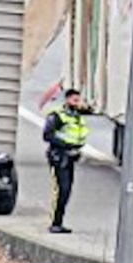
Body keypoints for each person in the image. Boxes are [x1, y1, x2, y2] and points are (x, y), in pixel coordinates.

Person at [42, 89, 90, 234]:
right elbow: (47, 135)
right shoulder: (58, 116)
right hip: (59, 156)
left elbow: (79, 136)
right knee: (61, 190)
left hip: (70, 157)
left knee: (67, 190)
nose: (78, 103)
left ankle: (59, 222)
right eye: (75, 100)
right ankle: (55, 222)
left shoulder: (78, 117)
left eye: (79, 100)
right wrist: (65, 145)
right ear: (67, 100)